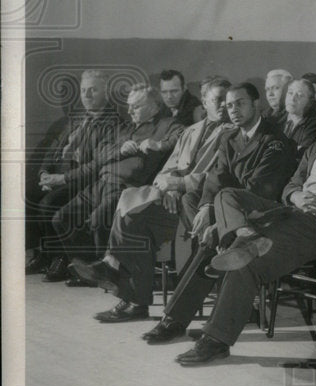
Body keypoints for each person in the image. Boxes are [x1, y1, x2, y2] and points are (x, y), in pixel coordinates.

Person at [172, 79, 316, 365]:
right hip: (294, 212)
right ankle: (243, 238)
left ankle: (216, 339)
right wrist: (296, 195)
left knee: (245, 260)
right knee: (226, 195)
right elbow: (291, 184)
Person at [139, 82, 297, 344]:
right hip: (231, 213)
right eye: (229, 105)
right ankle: (180, 318)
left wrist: (219, 221)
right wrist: (206, 208)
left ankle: (176, 320)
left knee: (211, 240)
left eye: (240, 103)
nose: (233, 110)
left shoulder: (276, 142)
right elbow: (215, 179)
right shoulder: (229, 137)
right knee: (200, 212)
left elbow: (257, 190)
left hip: (262, 216)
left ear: (257, 104)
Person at [70, 77, 236, 321]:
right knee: (131, 216)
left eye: (227, 100)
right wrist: (167, 188)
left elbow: (220, 177)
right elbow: (168, 167)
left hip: (201, 206)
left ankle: (117, 275)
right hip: (173, 199)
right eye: (218, 99)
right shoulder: (191, 131)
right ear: (205, 101)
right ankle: (132, 299)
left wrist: (179, 185)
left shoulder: (233, 134)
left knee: (134, 218)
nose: (224, 105)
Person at [44, 84, 182, 281]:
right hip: (100, 183)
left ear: (154, 106)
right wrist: (120, 150)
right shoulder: (124, 127)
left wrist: (159, 144)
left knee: (98, 221)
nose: (129, 110)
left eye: (136, 106)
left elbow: (182, 136)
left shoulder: (167, 124)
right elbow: (101, 153)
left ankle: (107, 275)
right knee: (61, 218)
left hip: (126, 188)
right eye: (129, 106)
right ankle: (88, 270)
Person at [26, 69, 123, 277]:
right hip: (63, 176)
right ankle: (43, 255)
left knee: (48, 204)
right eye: (84, 90)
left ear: (105, 92)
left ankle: (60, 259)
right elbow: (55, 148)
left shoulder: (112, 122)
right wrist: (44, 173)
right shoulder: (78, 117)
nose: (87, 95)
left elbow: (97, 165)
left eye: (93, 90)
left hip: (86, 180)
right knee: (28, 195)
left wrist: (61, 178)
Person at [282, 77, 316, 159]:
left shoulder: (314, 124)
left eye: (299, 95)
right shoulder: (275, 118)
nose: (292, 99)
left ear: (309, 102)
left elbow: (301, 154)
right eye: (290, 93)